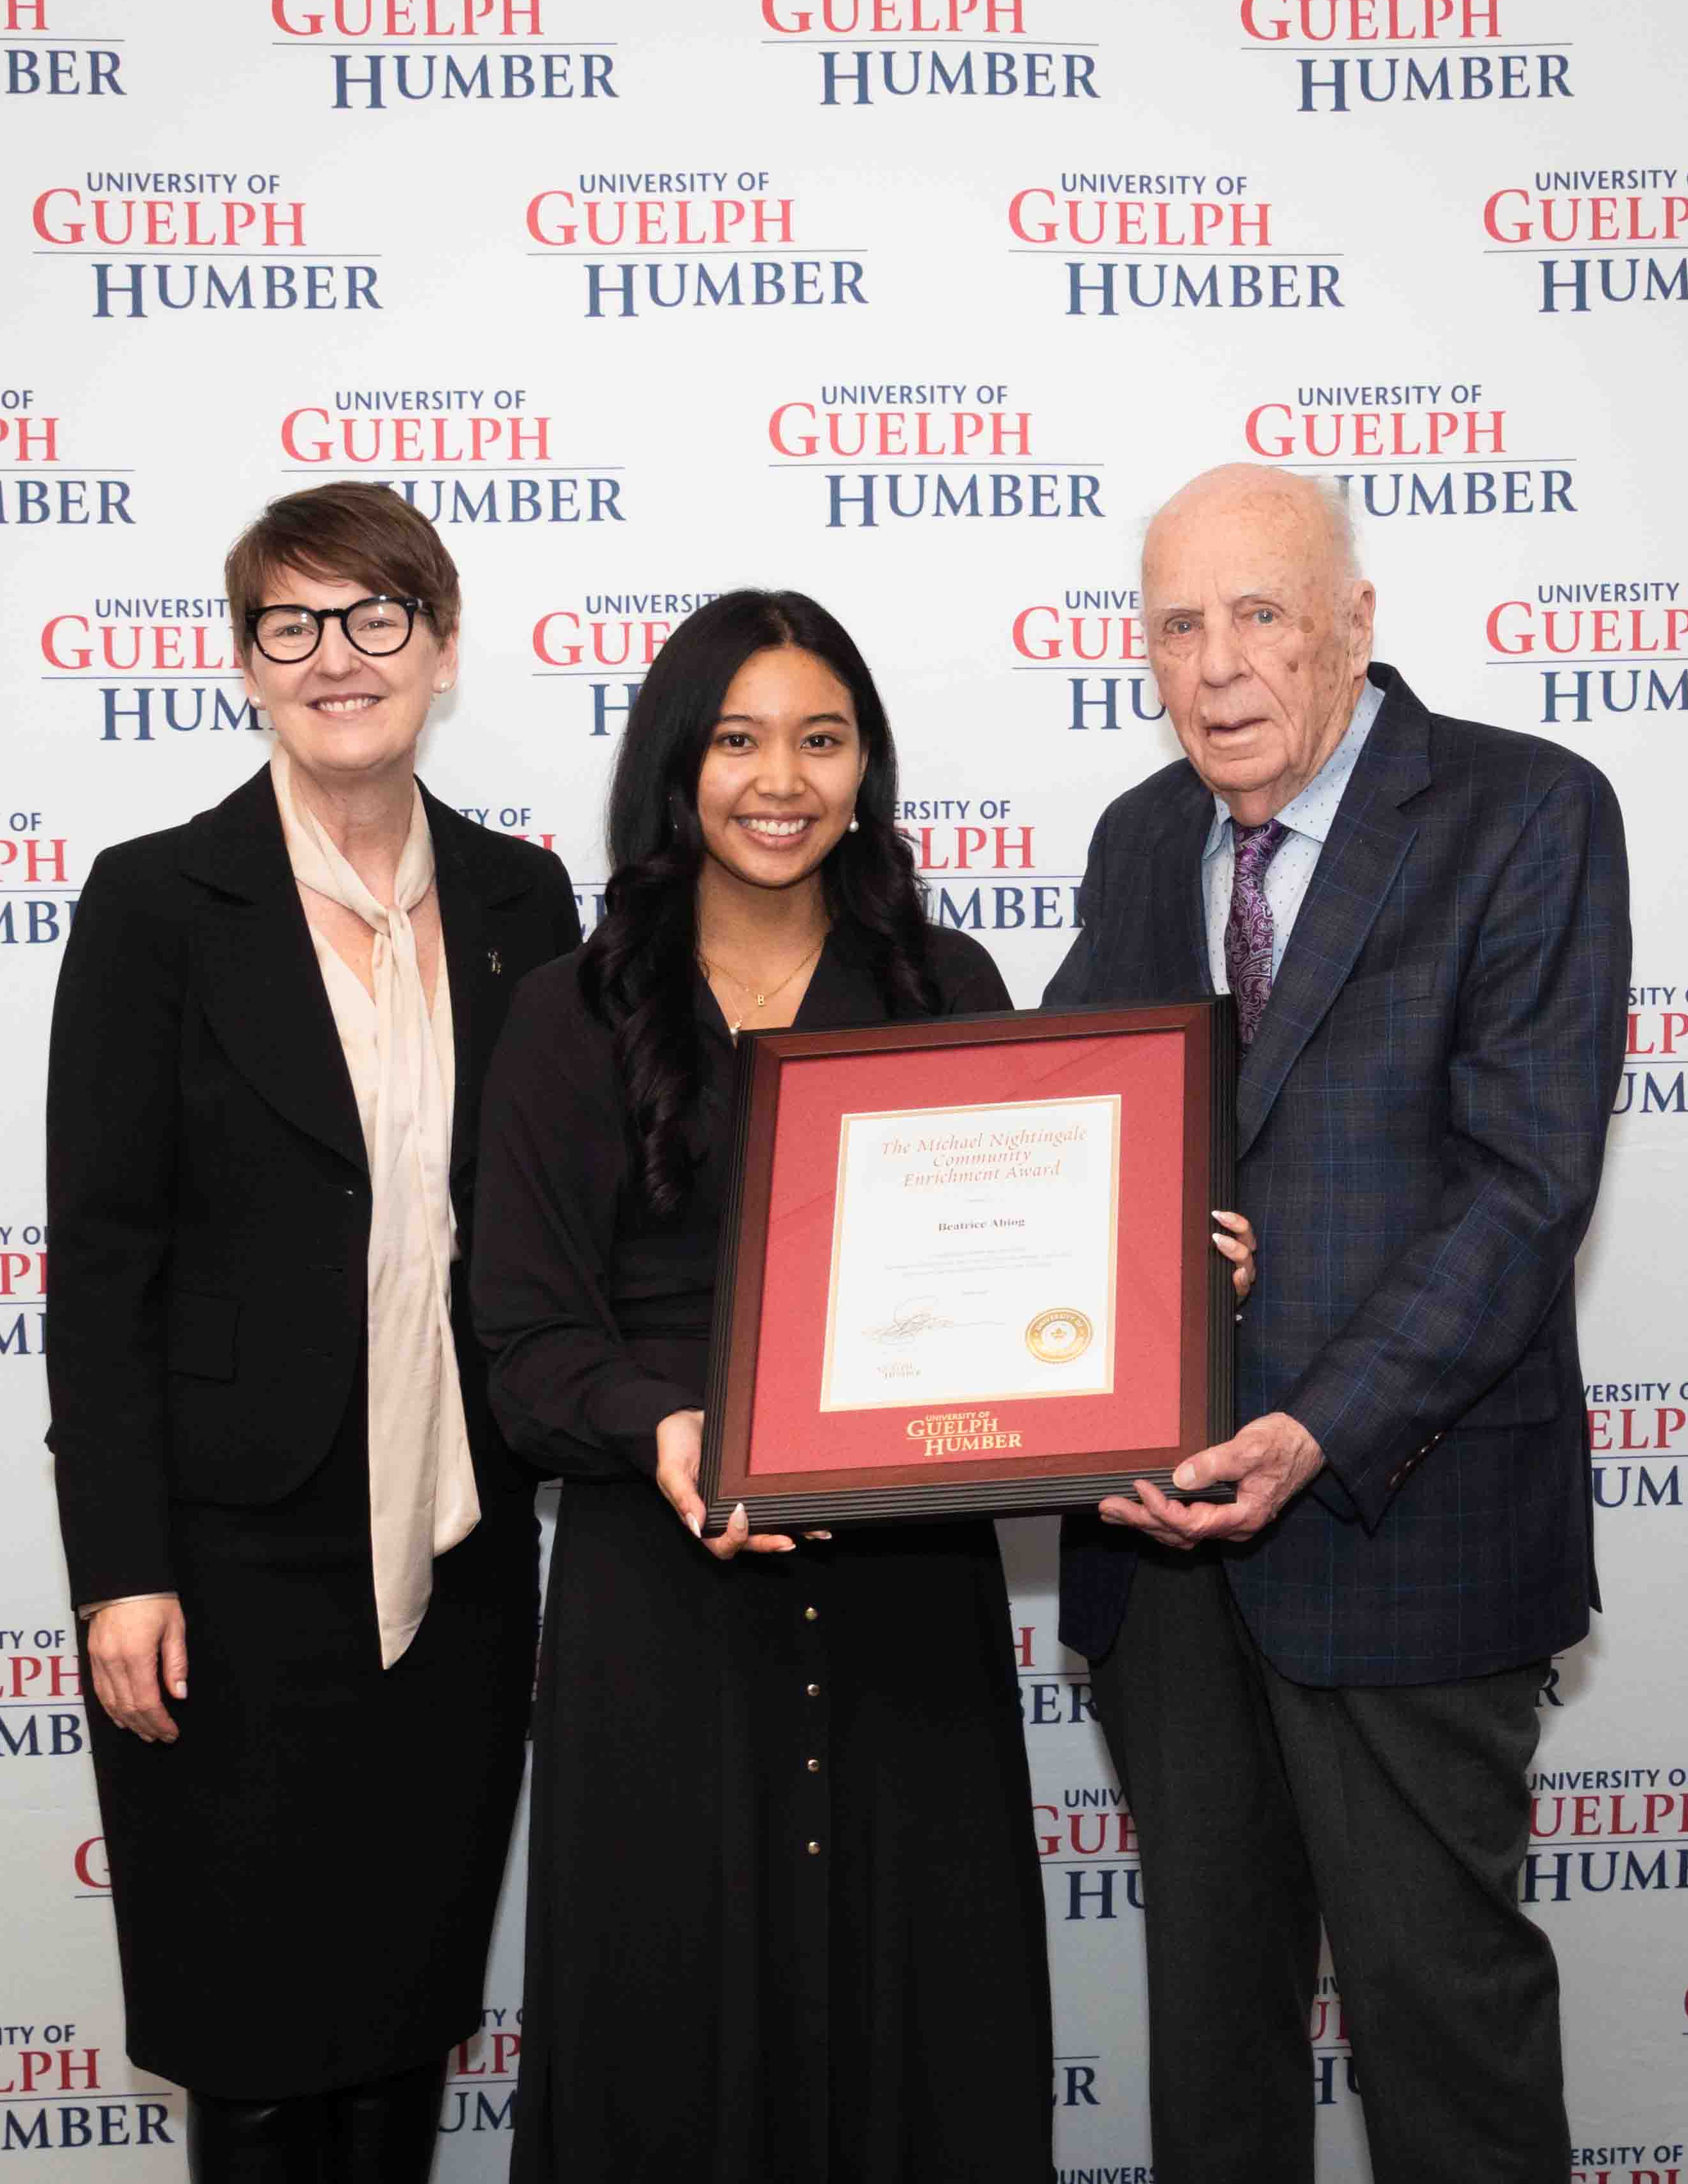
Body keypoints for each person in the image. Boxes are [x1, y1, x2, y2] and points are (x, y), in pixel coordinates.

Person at [471, 588, 1251, 2183]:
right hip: (665, 1598)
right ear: (678, 764)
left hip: (908, 1608)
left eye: (822, 739)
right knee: (671, 2041)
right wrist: (667, 1428)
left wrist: (1168, 1281)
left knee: (927, 2037)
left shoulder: (942, 982)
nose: (782, 778)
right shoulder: (568, 1009)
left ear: (865, 767)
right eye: (741, 738)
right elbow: (527, 1346)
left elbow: (1036, 1269)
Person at [1046, 464, 1630, 2183]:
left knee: (1442, 2044)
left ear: (1355, 625)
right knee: (1215, 2056)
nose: (1216, 665)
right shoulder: (1144, 837)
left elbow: (1526, 1191)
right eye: (1177, 624)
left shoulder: (1527, 813)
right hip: (1167, 1564)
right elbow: (1096, 1133)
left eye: (1261, 614)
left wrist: (1317, 1425)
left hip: (1406, 1525)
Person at [44, 481, 579, 2183]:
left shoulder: (522, 901)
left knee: (409, 1991)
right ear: (246, 663)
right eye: (293, 624)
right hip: (229, 1560)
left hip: (464, 1540)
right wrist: (120, 1567)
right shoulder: (155, 904)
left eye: (375, 619)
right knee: (255, 2011)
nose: (337, 656)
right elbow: (105, 1262)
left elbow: (568, 1214)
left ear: (440, 646)